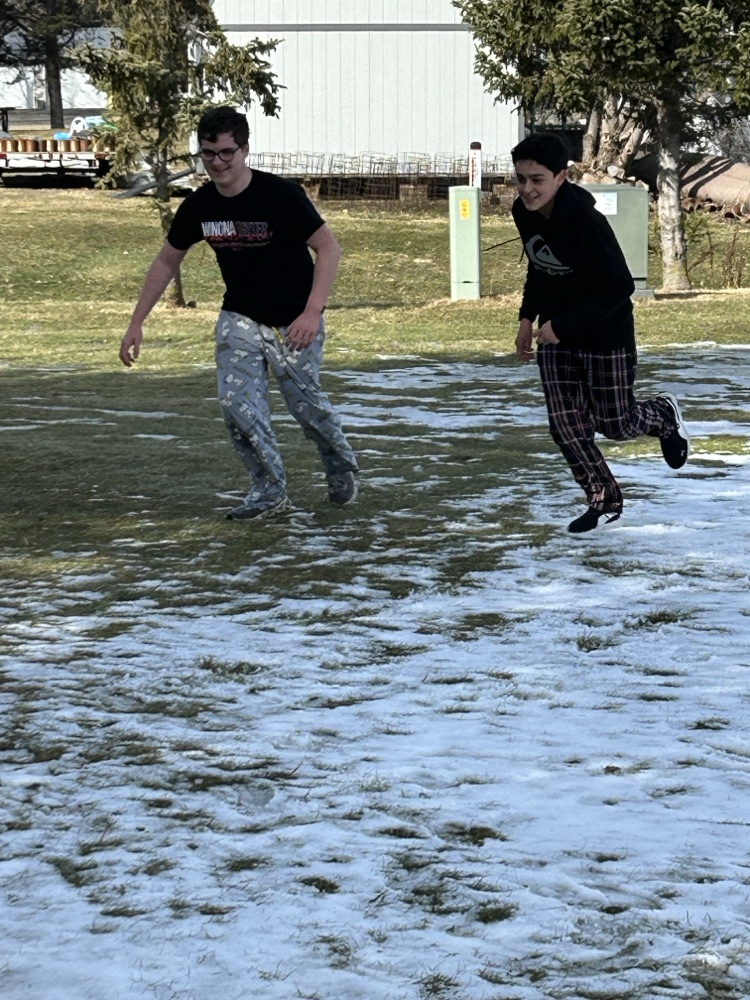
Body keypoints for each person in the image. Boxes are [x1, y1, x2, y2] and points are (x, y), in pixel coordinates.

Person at [119, 105, 358, 520]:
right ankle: (268, 491)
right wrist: (137, 322)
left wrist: (312, 312)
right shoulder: (199, 206)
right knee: (238, 406)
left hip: (294, 319)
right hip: (240, 317)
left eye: (227, 152)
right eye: (209, 153)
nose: (218, 162)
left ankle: (339, 465)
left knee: (306, 405)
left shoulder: (280, 195)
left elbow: (329, 248)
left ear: (245, 150)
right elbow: (166, 262)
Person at [510, 132, 689, 533]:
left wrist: (562, 326)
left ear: (561, 177)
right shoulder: (524, 211)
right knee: (566, 426)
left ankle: (663, 415)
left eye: (537, 179)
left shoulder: (586, 223)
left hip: (605, 334)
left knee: (615, 424)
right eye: (520, 179)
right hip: (555, 335)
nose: (527, 189)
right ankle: (603, 500)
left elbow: (618, 287)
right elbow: (540, 266)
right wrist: (526, 317)